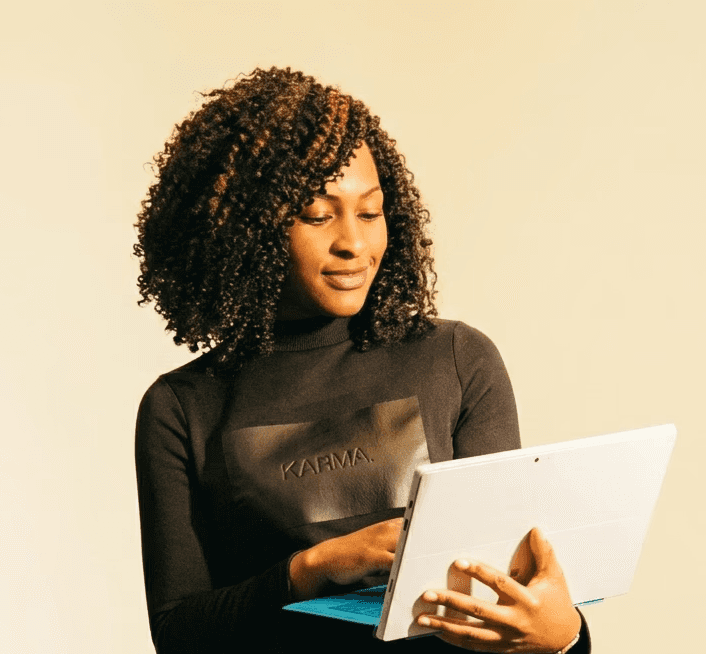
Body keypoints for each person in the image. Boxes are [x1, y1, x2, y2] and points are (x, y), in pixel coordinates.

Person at [133, 66, 591, 653]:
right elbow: (178, 634)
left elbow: (503, 591)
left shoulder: (456, 360)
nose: (353, 242)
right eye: (318, 215)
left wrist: (565, 636)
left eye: (370, 213)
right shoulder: (181, 409)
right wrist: (313, 568)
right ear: (246, 229)